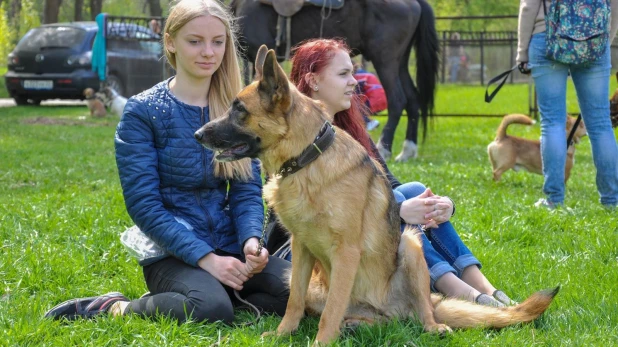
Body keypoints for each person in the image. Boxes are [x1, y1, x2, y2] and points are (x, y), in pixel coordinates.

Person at [44, 0, 289, 324]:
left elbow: (246, 187)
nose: (208, 52)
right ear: (171, 42)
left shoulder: (238, 110)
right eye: (195, 41)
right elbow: (145, 205)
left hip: (230, 244)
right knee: (211, 310)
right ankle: (116, 307)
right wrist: (206, 260)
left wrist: (250, 243)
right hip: (170, 252)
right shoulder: (143, 112)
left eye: (217, 42)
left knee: (302, 291)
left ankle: (224, 290)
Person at [267, 38, 515, 307]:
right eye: (343, 74)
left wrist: (442, 206)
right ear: (313, 81)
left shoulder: (348, 126)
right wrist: (397, 212)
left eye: (353, 72)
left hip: (351, 238)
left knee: (412, 190)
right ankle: (461, 292)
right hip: (302, 250)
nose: (355, 82)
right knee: (397, 210)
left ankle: (486, 288)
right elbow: (322, 207)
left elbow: (387, 183)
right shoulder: (294, 134)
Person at [517, 0, 618, 209]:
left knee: (552, 123)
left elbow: (529, 6)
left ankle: (554, 200)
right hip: (594, 38)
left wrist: (522, 53)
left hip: (546, 35)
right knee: (600, 125)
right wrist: (604, 41)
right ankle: (612, 200)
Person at [353, 60, 386, 131]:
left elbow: (357, 94)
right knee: (362, 110)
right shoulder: (365, 73)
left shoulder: (358, 76)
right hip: (383, 98)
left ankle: (370, 123)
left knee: (357, 109)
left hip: (375, 98)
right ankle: (368, 124)